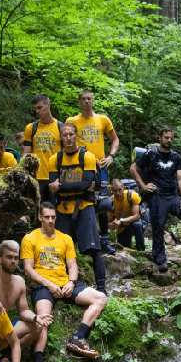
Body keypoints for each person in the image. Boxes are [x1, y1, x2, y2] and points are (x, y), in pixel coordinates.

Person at [20, 203, 108, 362]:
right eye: (47, 217)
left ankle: (78, 337)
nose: (51, 221)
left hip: (65, 283)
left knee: (101, 298)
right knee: (43, 318)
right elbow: (28, 269)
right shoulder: (30, 238)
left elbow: (72, 265)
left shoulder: (65, 238)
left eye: (53, 217)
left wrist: (71, 282)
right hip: (43, 285)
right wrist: (49, 284)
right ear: (40, 217)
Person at [129, 125, 181, 273]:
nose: (169, 140)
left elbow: (180, 177)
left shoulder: (176, 157)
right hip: (157, 195)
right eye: (166, 137)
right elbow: (133, 169)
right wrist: (143, 186)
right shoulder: (151, 154)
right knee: (158, 225)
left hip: (173, 195)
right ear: (160, 138)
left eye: (171, 138)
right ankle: (160, 259)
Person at [48, 122, 108, 294]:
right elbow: (52, 186)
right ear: (61, 137)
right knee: (61, 251)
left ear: (76, 136)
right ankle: (62, 287)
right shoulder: (55, 159)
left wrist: (62, 186)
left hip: (84, 207)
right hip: (63, 210)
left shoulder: (87, 157)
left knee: (94, 249)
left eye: (71, 135)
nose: (68, 138)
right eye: (65, 135)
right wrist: (66, 187)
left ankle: (102, 289)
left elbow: (85, 184)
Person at [67, 90, 121, 255]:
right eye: (83, 99)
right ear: (79, 102)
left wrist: (111, 155)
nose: (86, 102)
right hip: (80, 167)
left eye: (89, 99)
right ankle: (77, 241)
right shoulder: (72, 121)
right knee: (79, 201)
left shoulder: (102, 119)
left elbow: (115, 139)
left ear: (93, 101)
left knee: (104, 203)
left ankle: (104, 240)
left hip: (101, 168)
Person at [0, 239, 51, 355]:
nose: (13, 261)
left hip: (5, 327)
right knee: (4, 334)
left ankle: (7, 356)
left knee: (38, 326)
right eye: (9, 257)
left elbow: (24, 310)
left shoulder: (19, 282)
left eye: (16, 258)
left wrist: (37, 318)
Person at [22, 93, 62, 204]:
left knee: (54, 212)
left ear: (48, 106)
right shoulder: (31, 128)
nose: (38, 111)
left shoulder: (60, 127)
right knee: (40, 212)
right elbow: (27, 154)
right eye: (35, 109)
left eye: (40, 108)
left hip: (55, 176)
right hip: (37, 177)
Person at [108, 179, 146, 251]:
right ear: (112, 191)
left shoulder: (132, 195)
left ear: (123, 188)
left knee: (137, 225)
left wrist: (121, 220)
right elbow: (109, 222)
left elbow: (137, 216)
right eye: (115, 191)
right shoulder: (110, 202)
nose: (118, 193)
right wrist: (113, 225)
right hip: (122, 227)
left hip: (133, 223)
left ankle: (140, 250)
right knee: (124, 248)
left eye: (120, 190)